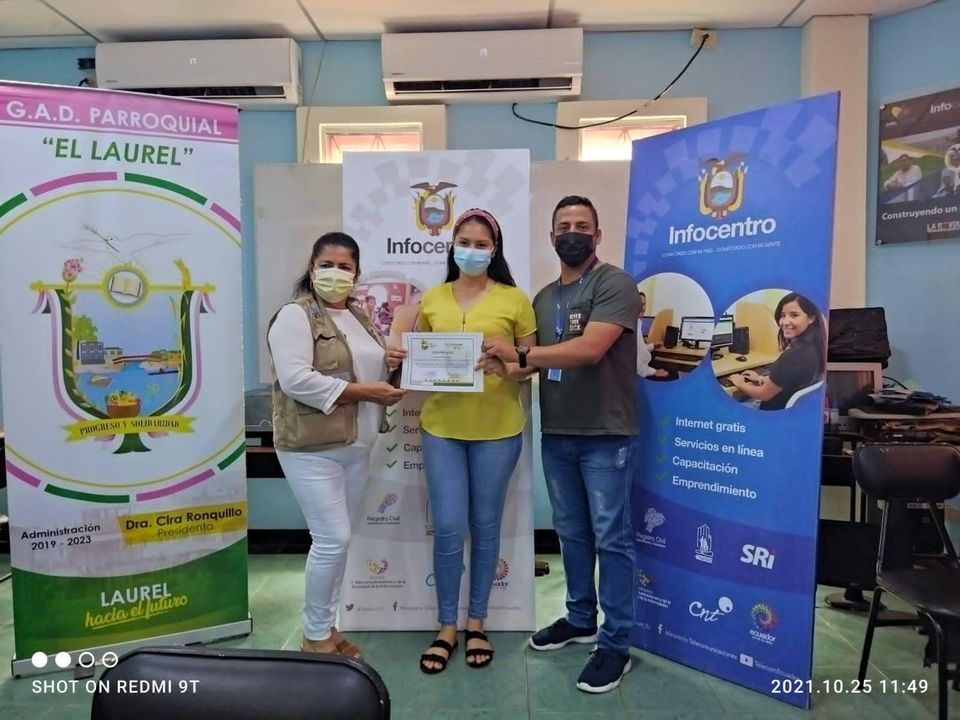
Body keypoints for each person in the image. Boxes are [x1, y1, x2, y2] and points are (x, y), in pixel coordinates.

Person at [479, 195, 640, 694]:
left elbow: (590, 349)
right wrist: (493, 365)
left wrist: (519, 353)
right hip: (559, 432)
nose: (573, 233)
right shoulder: (543, 298)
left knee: (611, 538)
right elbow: (529, 364)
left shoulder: (614, 283)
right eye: (564, 226)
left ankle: (615, 644)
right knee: (571, 532)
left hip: (607, 434)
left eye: (582, 226)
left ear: (598, 234)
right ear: (551, 237)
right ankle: (580, 618)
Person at [386, 208, 537, 674]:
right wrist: (399, 350)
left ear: (494, 249)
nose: (472, 250)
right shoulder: (431, 299)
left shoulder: (515, 299)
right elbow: (417, 361)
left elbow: (532, 364)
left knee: (486, 527)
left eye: (481, 243)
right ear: (453, 246)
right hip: (442, 429)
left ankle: (477, 622)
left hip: (499, 430)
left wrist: (506, 365)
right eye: (464, 242)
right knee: (449, 527)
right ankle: (446, 625)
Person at [267, 232, 404, 659]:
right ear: (312, 268)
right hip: (311, 448)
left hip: (357, 444)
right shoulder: (295, 315)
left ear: (357, 274)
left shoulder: (360, 317)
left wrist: (390, 362)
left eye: (345, 267)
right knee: (332, 540)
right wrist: (365, 392)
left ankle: (327, 627)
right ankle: (314, 636)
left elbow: (367, 370)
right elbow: (296, 380)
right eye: (327, 265)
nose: (335, 273)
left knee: (339, 543)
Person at [728, 292, 826, 411]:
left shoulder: (794, 356)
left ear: (811, 318)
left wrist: (740, 383)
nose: (785, 322)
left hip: (769, 412)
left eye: (794, 315)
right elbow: (788, 381)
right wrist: (760, 379)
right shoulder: (816, 348)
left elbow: (763, 394)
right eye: (782, 315)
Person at [636, 291, 670, 380]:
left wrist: (653, 346)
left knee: (671, 370)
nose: (643, 308)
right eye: (639, 304)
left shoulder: (637, 323)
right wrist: (654, 372)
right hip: (641, 373)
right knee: (674, 374)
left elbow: (639, 349)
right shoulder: (631, 326)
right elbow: (634, 362)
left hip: (644, 367)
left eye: (644, 304)